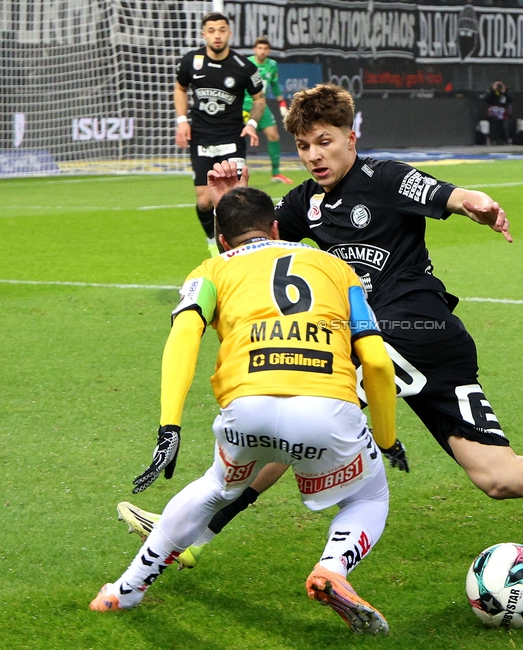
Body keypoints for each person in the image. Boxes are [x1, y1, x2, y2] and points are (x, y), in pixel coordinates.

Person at [117, 83, 523, 571]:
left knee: (298, 411)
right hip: (427, 343)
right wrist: (225, 200)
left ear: (350, 139)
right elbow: (248, 246)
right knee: (498, 475)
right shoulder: (303, 205)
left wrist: (477, 203)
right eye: (304, 145)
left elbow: (443, 193)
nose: (315, 155)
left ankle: (183, 537)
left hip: (410, 327)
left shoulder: (383, 177)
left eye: (326, 141)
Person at [90, 181, 402, 636]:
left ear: (221, 239)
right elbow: (374, 359)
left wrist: (169, 427)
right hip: (327, 411)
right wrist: (387, 438)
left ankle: (125, 589)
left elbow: (183, 337)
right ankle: (332, 568)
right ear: (277, 227)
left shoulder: (211, 270)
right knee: (369, 496)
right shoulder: (337, 269)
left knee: (215, 487)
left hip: (247, 410)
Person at [175, 12, 265, 258]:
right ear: (204, 34)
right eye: (212, 30)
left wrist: (253, 124)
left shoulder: (244, 67)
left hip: (231, 139)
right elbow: (180, 88)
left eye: (222, 29)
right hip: (202, 139)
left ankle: (235, 247)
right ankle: (210, 240)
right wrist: (182, 121)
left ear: (229, 33)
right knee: (204, 202)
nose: (217, 35)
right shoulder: (190, 62)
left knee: (233, 199)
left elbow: (259, 99)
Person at [244, 37, 294, 184]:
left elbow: (274, 85)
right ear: (254, 49)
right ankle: (234, 172)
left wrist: (282, 103)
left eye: (265, 49)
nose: (262, 51)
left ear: (269, 51)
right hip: (244, 103)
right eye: (259, 48)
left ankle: (276, 173)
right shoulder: (247, 64)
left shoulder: (272, 65)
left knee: (273, 135)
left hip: (261, 105)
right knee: (237, 137)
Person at [482, 80, 513, 145]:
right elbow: (486, 99)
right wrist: (493, 90)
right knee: (494, 120)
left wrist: (504, 92)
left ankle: (505, 139)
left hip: (503, 114)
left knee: (505, 122)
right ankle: (492, 140)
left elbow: (511, 99)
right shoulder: (491, 92)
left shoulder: (507, 92)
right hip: (492, 113)